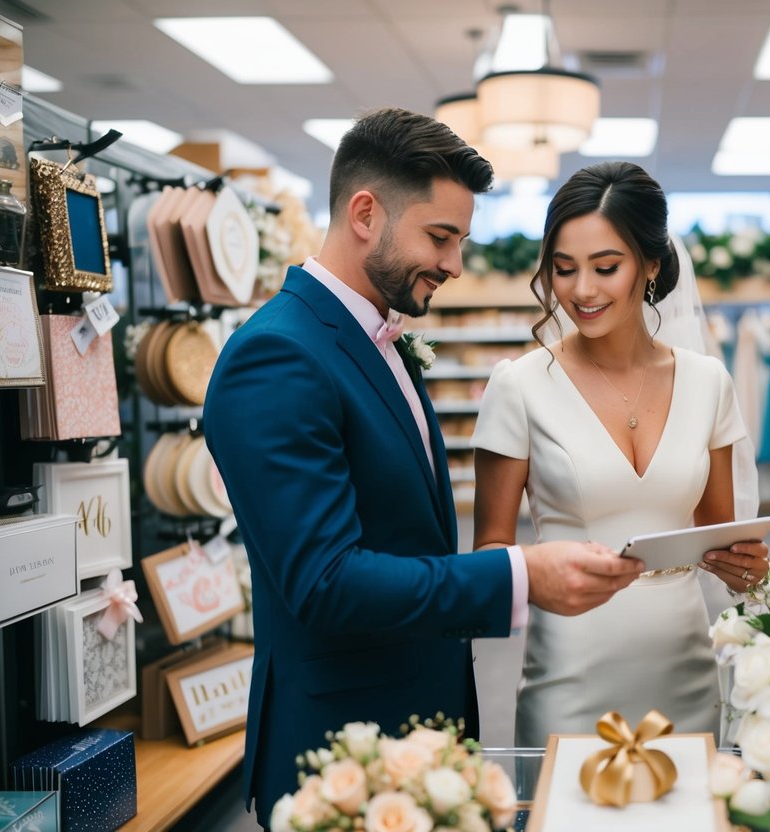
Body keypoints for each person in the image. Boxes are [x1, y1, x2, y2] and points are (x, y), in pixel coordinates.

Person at [203, 110, 645, 825]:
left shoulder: (376, 335)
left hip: (415, 728)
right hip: (340, 751)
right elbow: (324, 582)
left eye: (460, 241)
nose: (454, 265)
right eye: (440, 237)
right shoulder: (277, 356)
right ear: (365, 213)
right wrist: (519, 574)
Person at [472, 161, 770, 747]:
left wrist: (747, 567)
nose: (582, 291)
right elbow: (490, 553)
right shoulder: (520, 385)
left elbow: (722, 540)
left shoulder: (709, 382)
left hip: (684, 664)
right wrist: (535, 576)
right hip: (569, 671)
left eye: (605, 268)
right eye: (564, 270)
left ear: (651, 266)